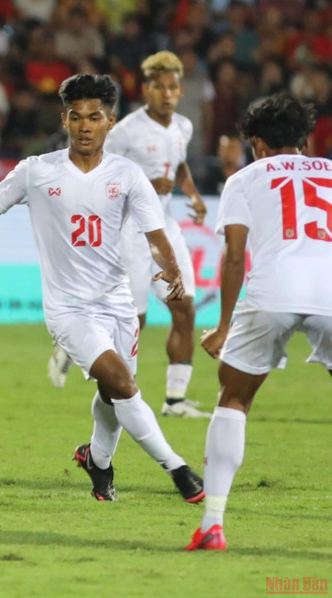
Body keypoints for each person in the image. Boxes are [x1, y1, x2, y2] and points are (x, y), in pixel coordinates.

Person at [0, 74, 204, 503]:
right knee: (123, 384)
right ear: (64, 119)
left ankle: (97, 460)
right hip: (69, 309)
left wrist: (169, 268)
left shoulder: (127, 175)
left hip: (118, 302)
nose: (85, 126)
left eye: (95, 117)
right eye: (76, 117)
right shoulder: (36, 171)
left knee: (113, 394)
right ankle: (180, 470)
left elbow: (156, 232)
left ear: (111, 122)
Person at [187, 93, 326, 551]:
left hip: (272, 290)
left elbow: (233, 259)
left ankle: (213, 524)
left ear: (259, 144)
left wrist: (223, 325)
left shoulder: (244, 179)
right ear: (303, 140)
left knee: (234, 398)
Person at [47, 51, 211, 420]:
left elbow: (180, 164)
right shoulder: (125, 131)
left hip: (164, 227)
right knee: (132, 321)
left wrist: (193, 194)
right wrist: (147, 185)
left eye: (172, 87)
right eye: (158, 87)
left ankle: (174, 399)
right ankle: (75, 351)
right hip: (128, 234)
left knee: (184, 306)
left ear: (180, 91)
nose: (166, 94)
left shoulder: (183, 127)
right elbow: (96, 168)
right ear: (146, 89)